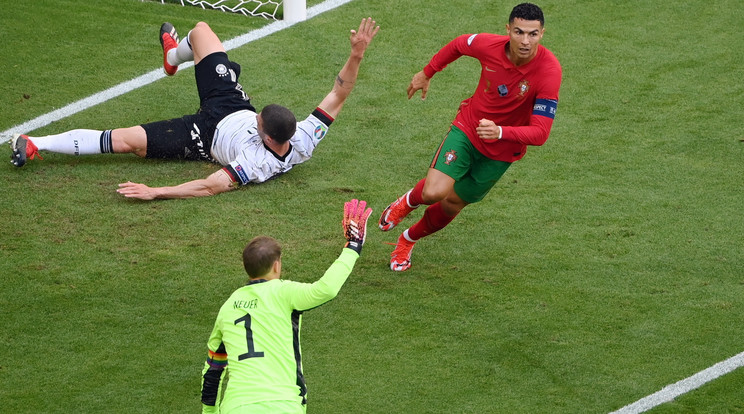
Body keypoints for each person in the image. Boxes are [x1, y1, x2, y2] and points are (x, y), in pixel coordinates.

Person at [9, 18, 379, 200]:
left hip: (203, 136)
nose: (257, 118)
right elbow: (338, 94)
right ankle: (173, 55)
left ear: (263, 133)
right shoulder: (304, 139)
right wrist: (356, 54)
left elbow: (208, 186)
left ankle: (35, 142)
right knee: (201, 31)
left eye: (258, 120)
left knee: (127, 141)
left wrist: (156, 191)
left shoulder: (254, 164)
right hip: (229, 104)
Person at [378, 3, 562, 271]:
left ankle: (407, 240)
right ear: (508, 29)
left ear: (542, 33)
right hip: (468, 129)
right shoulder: (489, 45)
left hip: (502, 152)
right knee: (434, 192)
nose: (525, 41)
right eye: (519, 32)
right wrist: (427, 72)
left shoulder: (549, 71)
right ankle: (408, 201)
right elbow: (459, 44)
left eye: (533, 34)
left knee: (452, 205)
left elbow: (541, 133)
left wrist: (500, 132)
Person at [199, 199, 372, 414]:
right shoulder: (284, 292)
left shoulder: (228, 307)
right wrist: (353, 246)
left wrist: (210, 412)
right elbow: (326, 289)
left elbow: (213, 369)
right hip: (282, 405)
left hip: (237, 407)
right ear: (276, 265)